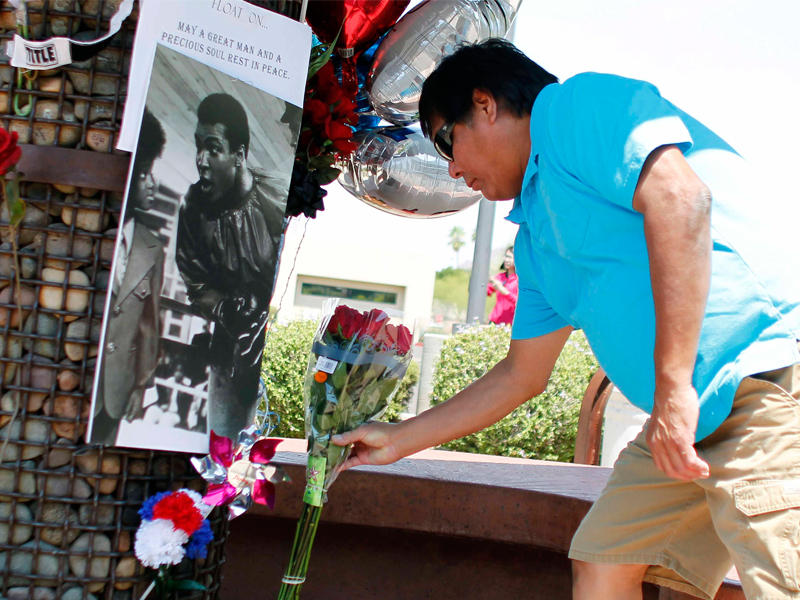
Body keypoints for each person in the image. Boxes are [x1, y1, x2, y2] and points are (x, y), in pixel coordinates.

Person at [332, 39, 800, 600]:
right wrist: (397, 440)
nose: (452, 169)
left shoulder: (575, 108)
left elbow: (681, 197)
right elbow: (521, 375)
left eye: (445, 140)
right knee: (605, 560)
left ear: (485, 104)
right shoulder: (535, 240)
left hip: (764, 375)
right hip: (684, 414)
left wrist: (673, 390)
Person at [175, 93, 285, 439]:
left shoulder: (277, 201)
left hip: (276, 348)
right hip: (226, 351)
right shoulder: (193, 208)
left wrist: (264, 314)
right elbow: (196, 284)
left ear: (239, 155)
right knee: (221, 443)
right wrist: (225, 308)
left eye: (213, 148)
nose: (201, 160)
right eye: (199, 147)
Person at [92, 108, 166, 445]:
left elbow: (150, 323)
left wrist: (142, 384)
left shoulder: (152, 248)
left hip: (117, 390)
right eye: (144, 174)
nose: (152, 183)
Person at [487, 246, 517, 326]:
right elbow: (486, 292)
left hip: (510, 325)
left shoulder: (520, 280)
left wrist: (502, 289)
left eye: (510, 257)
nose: (506, 260)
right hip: (494, 322)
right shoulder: (499, 277)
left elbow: (518, 302)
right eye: (506, 256)